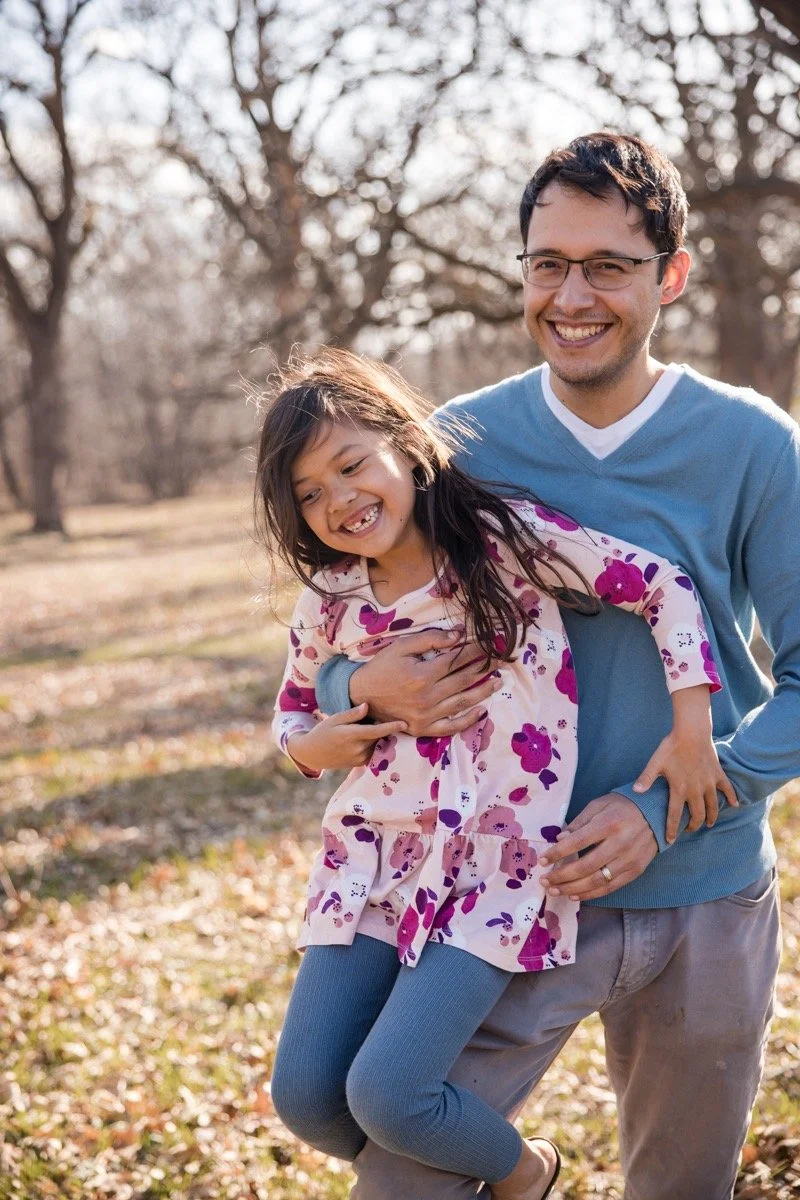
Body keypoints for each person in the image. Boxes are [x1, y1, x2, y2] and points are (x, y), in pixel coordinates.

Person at [312, 133, 798, 1200]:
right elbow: (344, 629)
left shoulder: (752, 444)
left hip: (702, 900)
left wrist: (662, 808)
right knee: (405, 1180)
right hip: (493, 894)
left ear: (668, 275)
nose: (570, 296)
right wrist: (357, 692)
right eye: (546, 264)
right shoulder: (453, 445)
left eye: (607, 266)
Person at [259, 348, 730, 1200]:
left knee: (389, 1095)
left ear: (406, 441)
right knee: (305, 1097)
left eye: (351, 464)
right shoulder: (327, 602)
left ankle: (525, 1173)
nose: (340, 501)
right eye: (310, 493)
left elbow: (662, 586)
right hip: (367, 866)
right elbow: (292, 716)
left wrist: (692, 723)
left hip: (493, 868)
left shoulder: (504, 544)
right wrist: (316, 745)